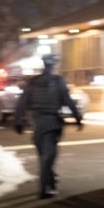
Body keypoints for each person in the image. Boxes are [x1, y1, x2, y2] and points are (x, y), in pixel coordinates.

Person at [14, 54, 83, 199]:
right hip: (52, 122)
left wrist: (18, 120)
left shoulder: (33, 82)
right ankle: (44, 188)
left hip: (37, 122)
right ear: (54, 65)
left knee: (43, 155)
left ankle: (49, 181)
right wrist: (77, 117)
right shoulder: (59, 81)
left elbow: (22, 102)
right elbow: (68, 100)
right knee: (49, 156)